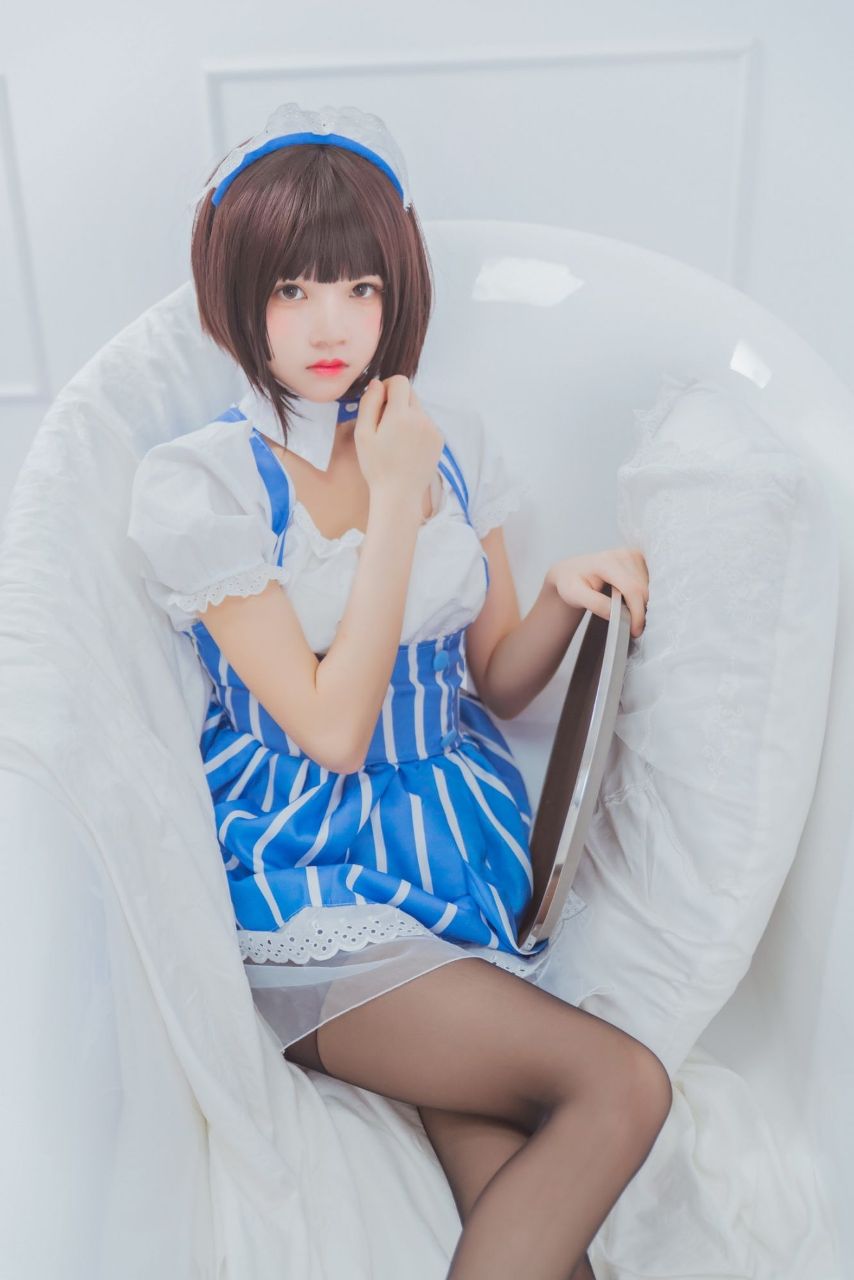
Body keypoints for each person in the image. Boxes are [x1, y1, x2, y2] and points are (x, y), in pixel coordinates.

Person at [126, 101, 668, 1280]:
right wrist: (386, 498)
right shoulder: (204, 483)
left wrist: (562, 597)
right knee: (620, 1082)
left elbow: (495, 678)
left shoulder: (445, 436)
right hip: (309, 875)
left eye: (359, 287)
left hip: (457, 862)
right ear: (239, 293)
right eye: (292, 289)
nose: (330, 323)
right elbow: (328, 728)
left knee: (537, 1220)